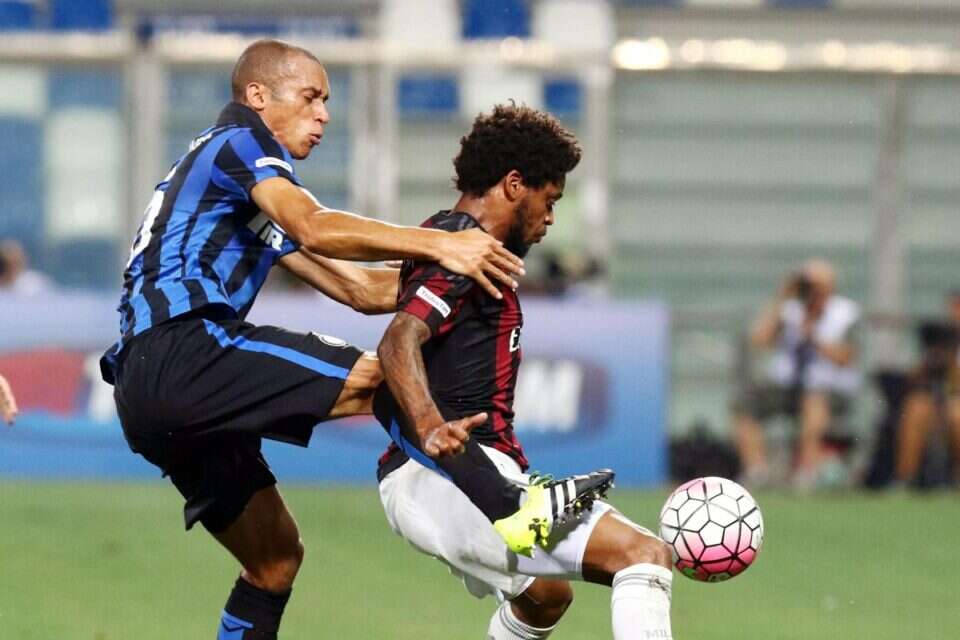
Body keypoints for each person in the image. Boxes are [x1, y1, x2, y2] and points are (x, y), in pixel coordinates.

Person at [99, 39, 531, 640]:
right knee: (387, 378)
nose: (324, 114)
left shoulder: (242, 190)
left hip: (147, 389)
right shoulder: (239, 142)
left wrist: (454, 277)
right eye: (311, 97)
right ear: (258, 96)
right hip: (183, 349)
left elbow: (359, 288)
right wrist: (440, 242)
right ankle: (511, 507)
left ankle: (495, 510)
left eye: (326, 101)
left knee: (275, 559)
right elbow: (315, 226)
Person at [374, 104, 674, 640]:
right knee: (642, 555)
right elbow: (399, 339)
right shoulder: (462, 247)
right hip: (448, 477)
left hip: (447, 477)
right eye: (549, 200)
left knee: (544, 597)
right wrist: (433, 428)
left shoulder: (450, 241)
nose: (550, 218)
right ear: (514, 185)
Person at [733, 259, 860, 490]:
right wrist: (782, 297)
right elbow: (759, 339)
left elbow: (846, 357)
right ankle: (757, 472)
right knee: (745, 402)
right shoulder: (790, 310)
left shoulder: (845, 313)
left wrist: (813, 336)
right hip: (788, 386)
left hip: (829, 389)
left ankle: (807, 474)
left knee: (814, 401)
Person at [893, 291, 960, 489]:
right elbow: (914, 378)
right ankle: (905, 479)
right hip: (940, 398)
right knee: (915, 408)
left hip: (955, 401)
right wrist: (932, 360)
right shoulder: (939, 337)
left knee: (957, 414)